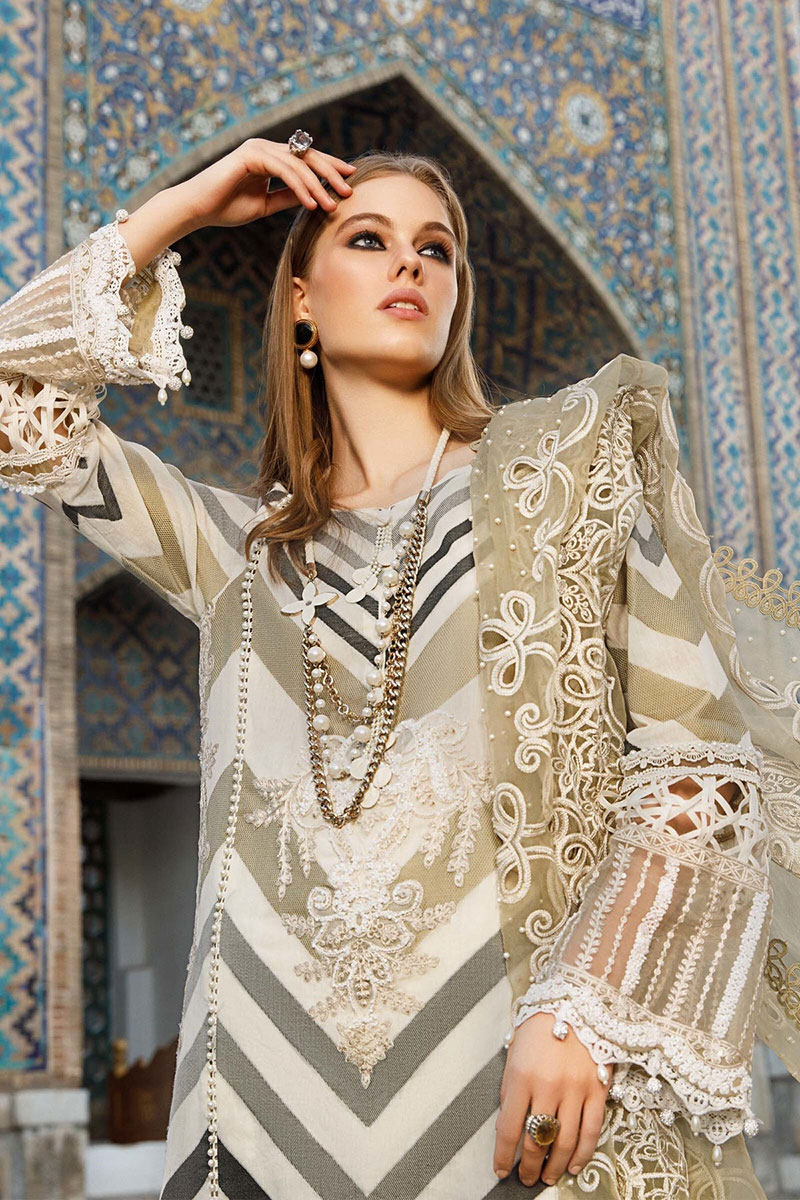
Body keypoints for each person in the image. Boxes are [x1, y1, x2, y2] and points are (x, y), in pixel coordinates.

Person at [1, 133, 798, 1200]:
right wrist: (185, 204)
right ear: (300, 297)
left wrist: (581, 1008)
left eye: (437, 248)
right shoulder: (235, 556)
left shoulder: (566, 476)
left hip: (514, 1091)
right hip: (253, 1115)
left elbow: (698, 768)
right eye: (368, 239)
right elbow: (12, 399)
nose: (410, 263)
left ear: (457, 297)